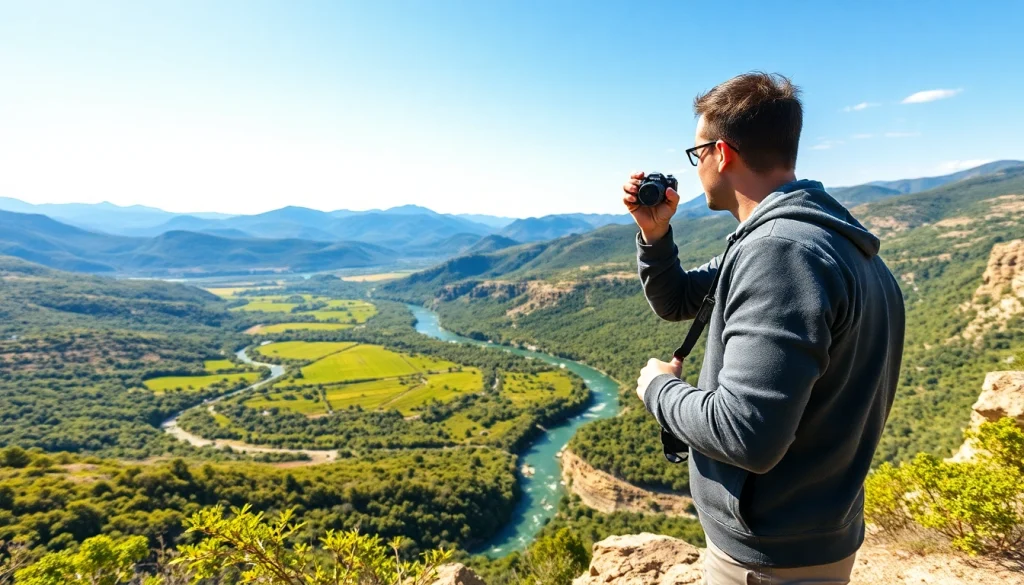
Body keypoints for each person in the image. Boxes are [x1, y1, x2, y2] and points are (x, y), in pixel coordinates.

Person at [622, 72, 905, 585]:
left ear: (721, 153)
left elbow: (746, 433)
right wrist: (654, 233)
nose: (697, 165)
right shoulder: (820, 239)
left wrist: (658, 390)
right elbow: (681, 299)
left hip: (769, 557)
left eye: (697, 152)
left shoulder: (781, 252)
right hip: (809, 537)